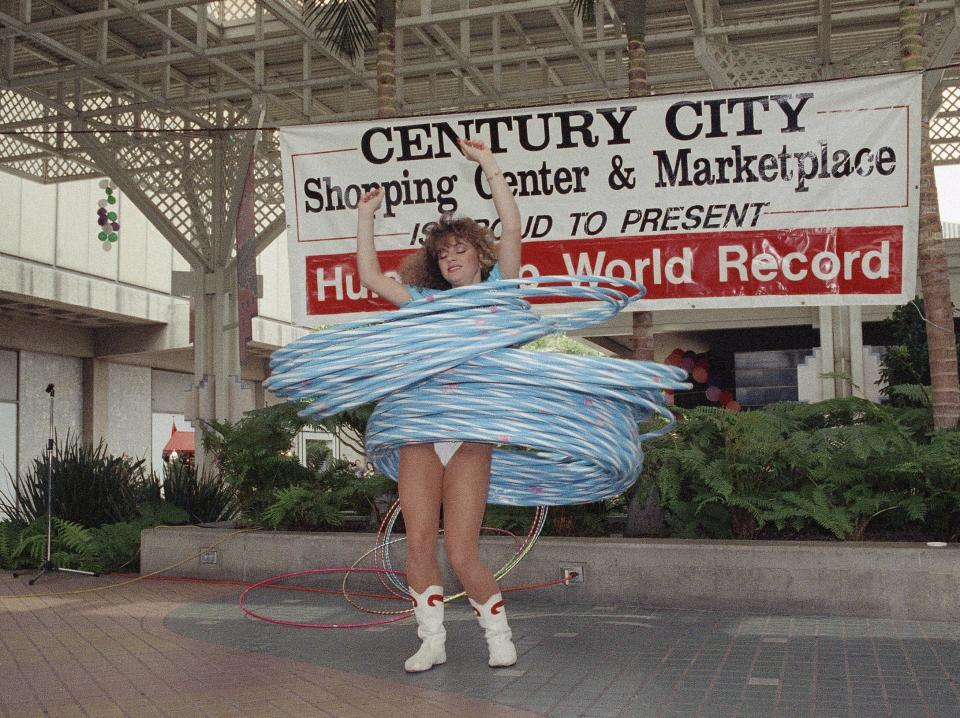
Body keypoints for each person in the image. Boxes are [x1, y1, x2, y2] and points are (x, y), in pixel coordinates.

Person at [356, 137, 522, 673]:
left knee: (462, 552)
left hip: (470, 431)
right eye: (442, 253)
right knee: (419, 542)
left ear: (479, 252)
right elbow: (371, 278)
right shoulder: (426, 303)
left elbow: (512, 225)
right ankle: (431, 640)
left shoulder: (500, 290)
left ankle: (498, 634)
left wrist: (489, 165)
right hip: (422, 430)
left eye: (460, 249)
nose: (451, 257)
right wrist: (365, 217)